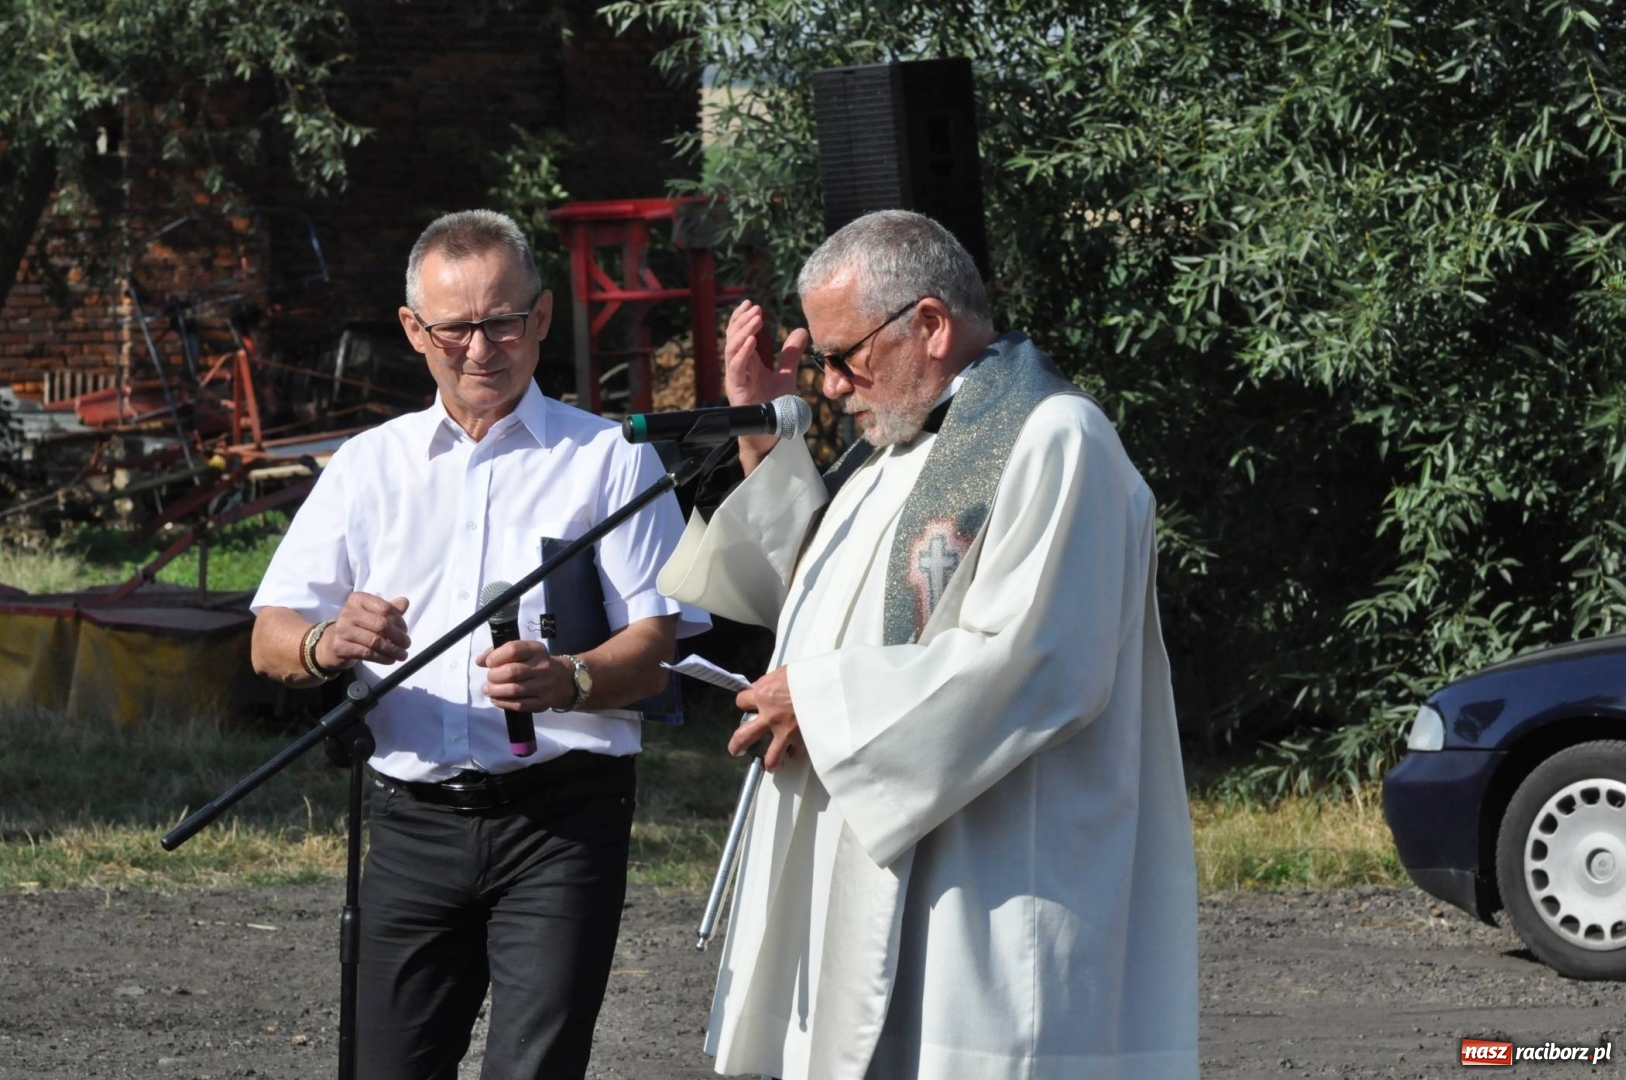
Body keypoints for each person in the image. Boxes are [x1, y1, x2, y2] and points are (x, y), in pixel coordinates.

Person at [658, 210, 1199, 1080]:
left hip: (987, 870)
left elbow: (1040, 661)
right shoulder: (890, 455)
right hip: (874, 844)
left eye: (844, 356)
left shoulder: (1055, 439)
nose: (832, 386)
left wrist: (821, 702)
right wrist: (762, 438)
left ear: (932, 325)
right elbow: (813, 601)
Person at [249, 209, 707, 1080]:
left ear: (542, 317)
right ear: (412, 330)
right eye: (453, 328)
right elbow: (270, 638)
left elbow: (658, 642)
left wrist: (569, 679)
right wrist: (327, 642)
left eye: (503, 321)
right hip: (411, 821)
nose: (480, 348)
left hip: (562, 821)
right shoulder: (368, 464)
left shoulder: (609, 456)